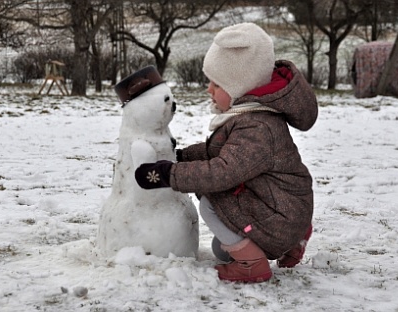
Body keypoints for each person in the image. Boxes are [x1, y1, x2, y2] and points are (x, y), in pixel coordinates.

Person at [134, 22, 318, 283]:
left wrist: (167, 174)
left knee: (212, 201)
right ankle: (291, 241)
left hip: (281, 214)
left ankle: (254, 265)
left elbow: (222, 172)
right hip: (284, 209)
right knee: (222, 250)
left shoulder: (256, 126)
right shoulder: (251, 115)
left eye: (217, 84)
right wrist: (182, 157)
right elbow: (218, 151)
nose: (209, 89)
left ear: (240, 87)